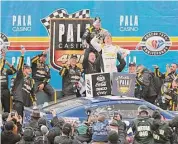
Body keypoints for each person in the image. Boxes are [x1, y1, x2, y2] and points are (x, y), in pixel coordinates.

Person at [11, 47, 36, 117]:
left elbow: (33, 92)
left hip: (27, 104)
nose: (30, 70)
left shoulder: (32, 80)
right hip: (18, 102)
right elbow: (19, 68)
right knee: (17, 119)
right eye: (28, 68)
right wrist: (22, 55)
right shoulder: (19, 77)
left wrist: (34, 102)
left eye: (30, 68)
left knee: (25, 121)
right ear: (24, 69)